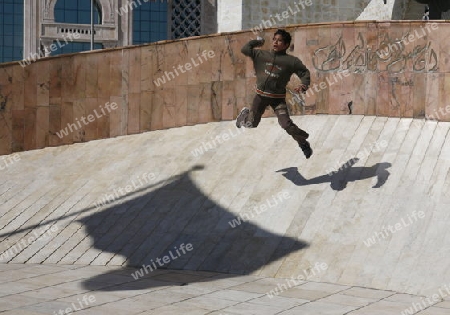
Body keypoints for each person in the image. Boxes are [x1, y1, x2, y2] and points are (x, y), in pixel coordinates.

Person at [236, 29, 313, 159]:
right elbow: (245, 49)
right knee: (252, 124)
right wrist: (258, 42)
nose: (275, 42)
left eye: (279, 40)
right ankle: (243, 116)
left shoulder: (291, 61)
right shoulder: (261, 54)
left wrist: (303, 84)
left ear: (286, 44)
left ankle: (303, 142)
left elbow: (304, 73)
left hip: (278, 100)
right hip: (260, 97)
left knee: (286, 125)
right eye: (274, 39)